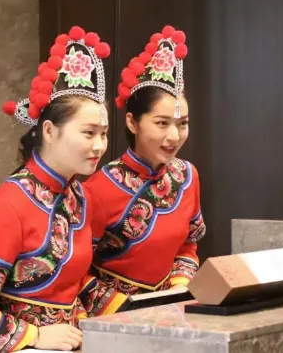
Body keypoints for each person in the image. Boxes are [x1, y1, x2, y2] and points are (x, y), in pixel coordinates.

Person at [0, 26, 112, 352]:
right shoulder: (8, 206)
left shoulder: (80, 198)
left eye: (103, 134)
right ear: (49, 131)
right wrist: (33, 336)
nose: (99, 145)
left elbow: (72, 283)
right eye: (89, 133)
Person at [82, 24, 206, 316]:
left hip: (172, 311)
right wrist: (124, 310)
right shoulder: (98, 188)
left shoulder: (186, 176)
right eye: (162, 123)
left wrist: (179, 285)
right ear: (132, 123)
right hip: (113, 319)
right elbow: (74, 269)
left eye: (182, 124)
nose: (174, 137)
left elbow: (187, 245)